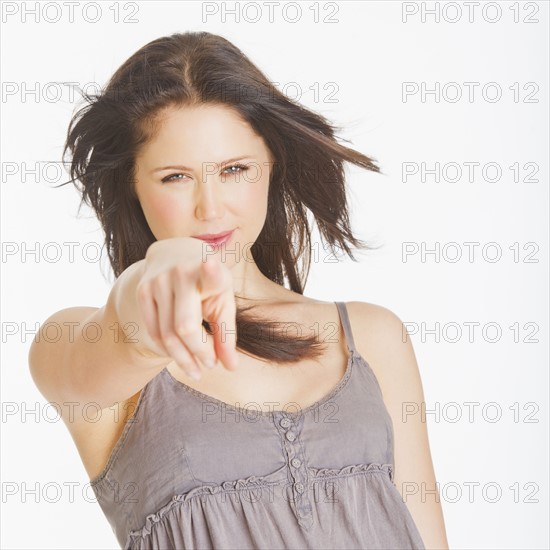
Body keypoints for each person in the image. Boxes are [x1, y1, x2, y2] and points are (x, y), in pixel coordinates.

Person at [28, 31, 449, 549]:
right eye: (175, 177)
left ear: (272, 165)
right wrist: (159, 272)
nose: (211, 207)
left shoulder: (373, 337)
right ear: (133, 187)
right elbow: (124, 332)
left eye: (234, 170)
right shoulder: (76, 340)